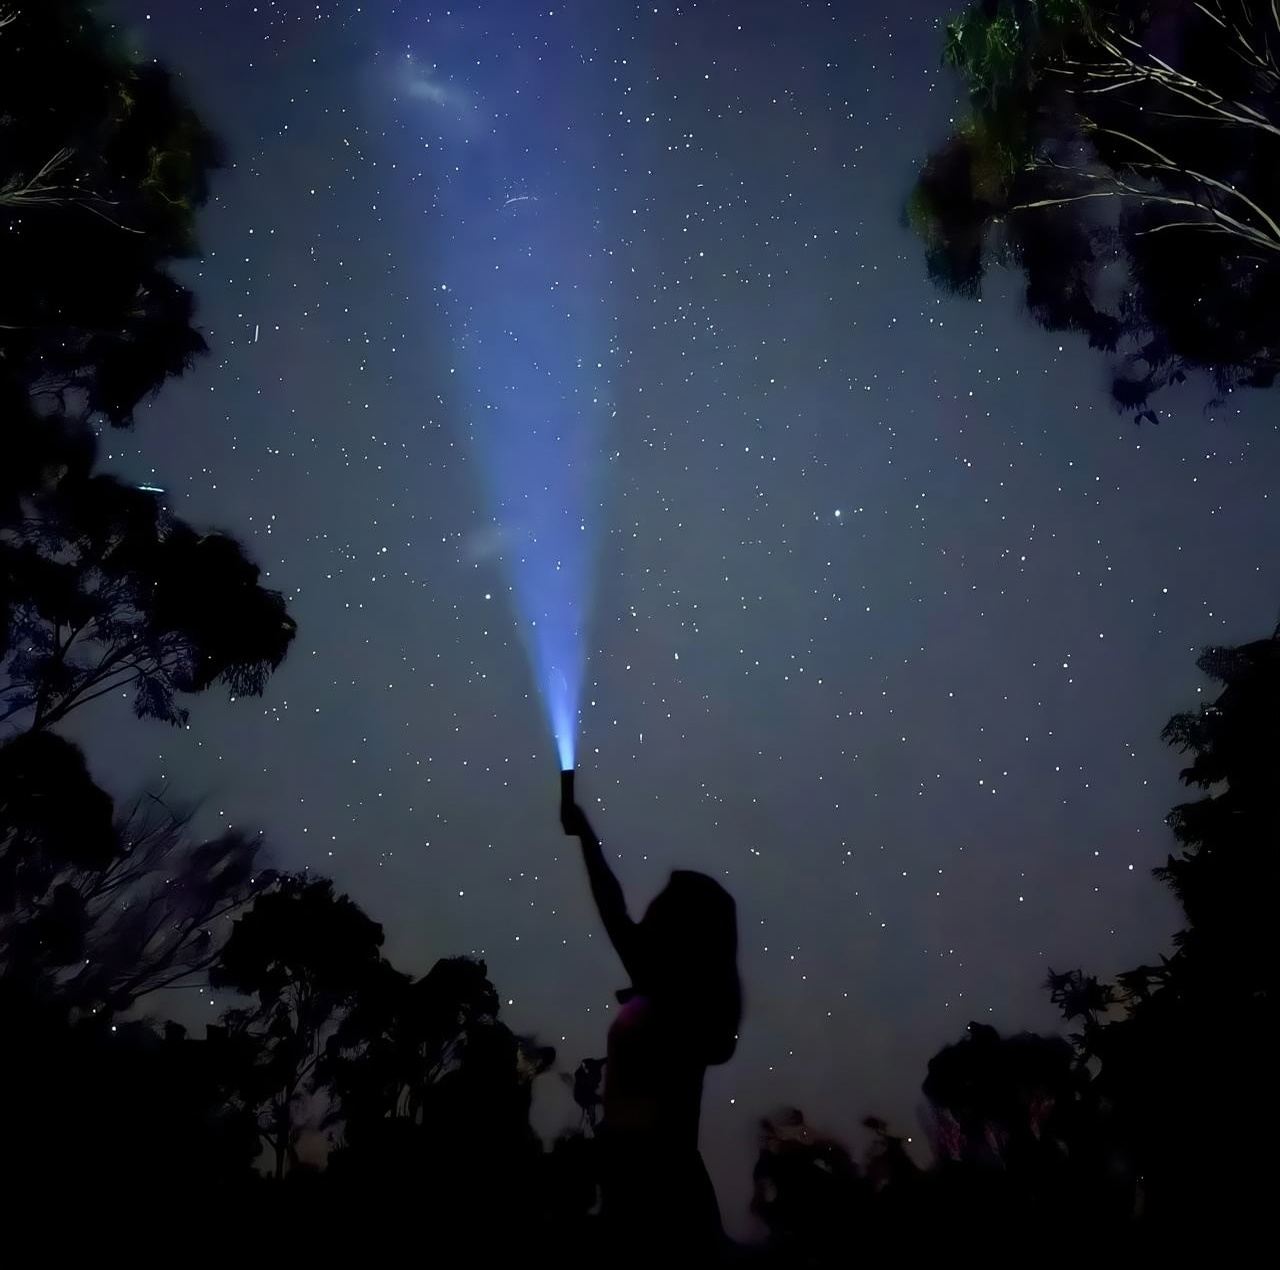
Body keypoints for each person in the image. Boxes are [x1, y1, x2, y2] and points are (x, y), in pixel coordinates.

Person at [561, 793, 742, 1260]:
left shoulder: (673, 996)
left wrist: (586, 837)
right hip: (651, 1174)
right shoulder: (683, 998)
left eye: (663, 904)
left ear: (684, 927)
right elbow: (614, 909)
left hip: (653, 1180)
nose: (650, 909)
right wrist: (585, 836)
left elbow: (613, 909)